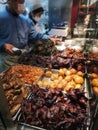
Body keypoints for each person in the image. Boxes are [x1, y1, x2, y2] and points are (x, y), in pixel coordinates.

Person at [0, 0, 56, 73]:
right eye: (19, 2)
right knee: (6, 81)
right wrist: (3, 45)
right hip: (7, 60)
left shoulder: (25, 20)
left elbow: (34, 36)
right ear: (10, 1)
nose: (22, 5)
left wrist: (48, 38)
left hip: (24, 58)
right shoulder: (1, 18)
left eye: (23, 2)